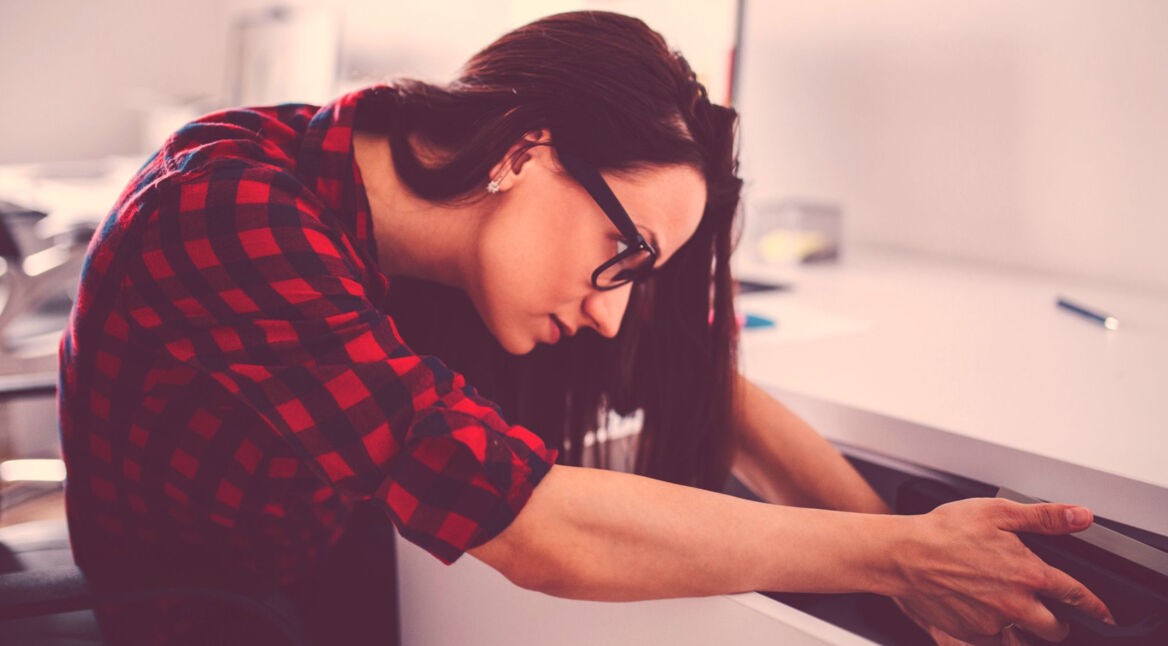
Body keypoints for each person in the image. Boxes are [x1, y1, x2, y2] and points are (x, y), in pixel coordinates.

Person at [58, 10, 1113, 646]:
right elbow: (534, 527)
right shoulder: (232, 217)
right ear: (523, 151)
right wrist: (893, 558)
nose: (613, 310)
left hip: (333, 564)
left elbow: (699, 387)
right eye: (623, 258)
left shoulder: (393, 169)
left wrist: (925, 576)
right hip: (222, 615)